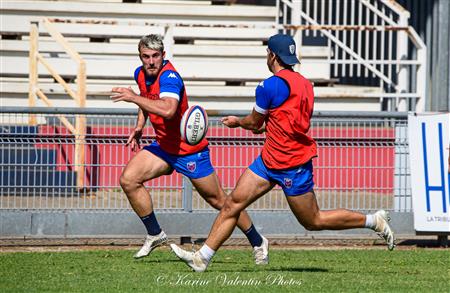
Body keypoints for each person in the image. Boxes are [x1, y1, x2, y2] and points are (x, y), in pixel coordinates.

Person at [170, 33, 396, 272]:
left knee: (313, 220)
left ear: (273, 56)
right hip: (269, 161)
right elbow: (287, 120)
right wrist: (267, 127)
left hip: (291, 164)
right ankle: (202, 258)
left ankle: (373, 221)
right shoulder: (306, 85)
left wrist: (239, 122)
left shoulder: (268, 85)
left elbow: (256, 123)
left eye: (268, 53)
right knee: (232, 204)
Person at [111, 34, 268, 263]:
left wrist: (134, 98)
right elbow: (146, 101)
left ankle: (257, 241)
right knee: (129, 179)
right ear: (140, 57)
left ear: (164, 56)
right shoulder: (140, 74)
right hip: (164, 148)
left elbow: (168, 109)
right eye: (146, 56)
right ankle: (155, 234)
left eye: (156, 56)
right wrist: (139, 126)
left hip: (190, 151)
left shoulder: (170, 77)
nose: (151, 61)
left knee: (220, 201)